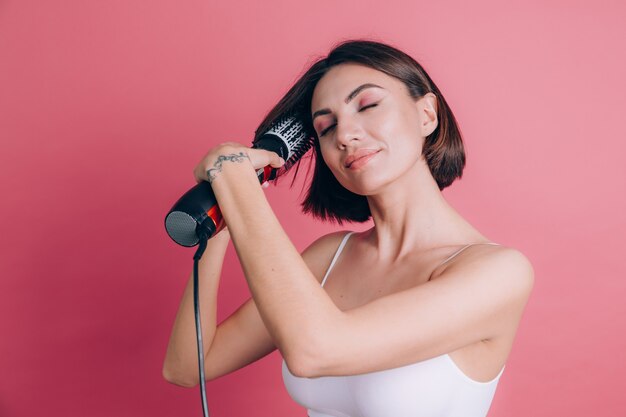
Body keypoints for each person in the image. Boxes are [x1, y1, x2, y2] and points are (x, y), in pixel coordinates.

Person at [162, 39, 534, 417]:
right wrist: (223, 215)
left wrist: (240, 187)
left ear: (426, 115)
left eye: (368, 105)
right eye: (326, 127)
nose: (344, 135)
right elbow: (189, 367)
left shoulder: (499, 272)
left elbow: (316, 351)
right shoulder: (330, 257)